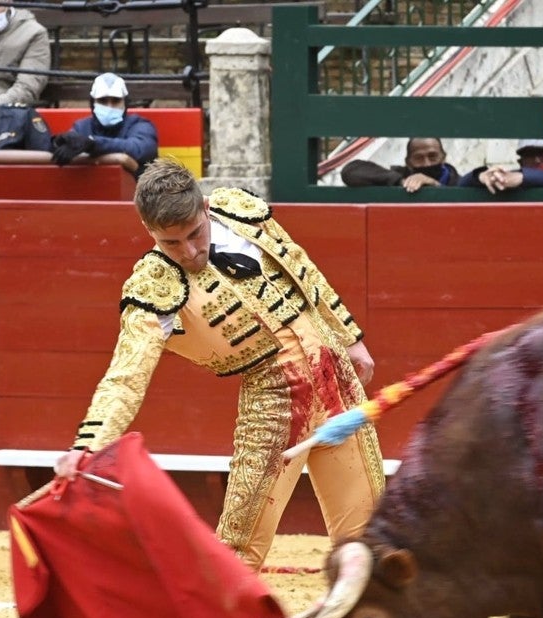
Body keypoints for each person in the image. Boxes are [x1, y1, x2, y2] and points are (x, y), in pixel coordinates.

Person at [52, 158, 386, 572]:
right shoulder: (154, 285)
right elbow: (126, 375)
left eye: (195, 234)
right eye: (172, 243)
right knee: (238, 551)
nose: (190, 252)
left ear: (205, 208)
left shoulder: (238, 211)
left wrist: (350, 337)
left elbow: (301, 267)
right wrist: (87, 445)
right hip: (276, 400)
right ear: (149, 232)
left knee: (366, 538)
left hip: (337, 379)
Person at [50, 72, 158, 177]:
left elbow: (139, 149)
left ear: (125, 103)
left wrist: (93, 143)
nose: (109, 106)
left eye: (116, 101)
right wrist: (60, 142)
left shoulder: (140, 125)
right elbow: (61, 151)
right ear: (93, 103)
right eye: (102, 101)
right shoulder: (81, 127)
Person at [340, 137, 460, 192]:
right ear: (408, 162)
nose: (426, 163)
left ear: (444, 157)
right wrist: (402, 182)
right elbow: (350, 172)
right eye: (418, 158)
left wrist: (436, 186)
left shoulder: (460, 183)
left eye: (432, 156)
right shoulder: (396, 177)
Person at [459, 138, 543, 192]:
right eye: (530, 154)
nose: (538, 160)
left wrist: (523, 177)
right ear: (520, 161)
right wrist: (481, 176)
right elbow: (460, 185)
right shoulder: (508, 179)